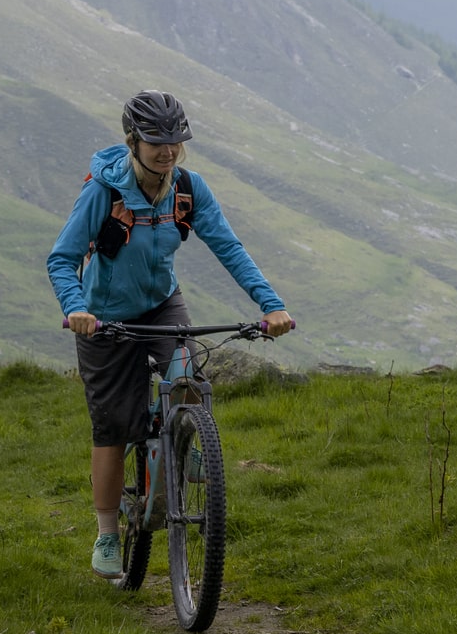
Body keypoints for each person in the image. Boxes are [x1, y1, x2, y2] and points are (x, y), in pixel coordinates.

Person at [47, 90, 294, 579]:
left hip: (162, 304)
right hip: (105, 318)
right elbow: (61, 258)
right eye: (156, 141)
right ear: (132, 141)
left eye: (175, 141)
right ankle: (107, 533)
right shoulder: (104, 191)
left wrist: (271, 305)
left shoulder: (187, 188)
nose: (167, 150)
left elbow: (229, 246)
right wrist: (77, 309)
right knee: (114, 428)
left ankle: (184, 442)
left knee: (187, 379)